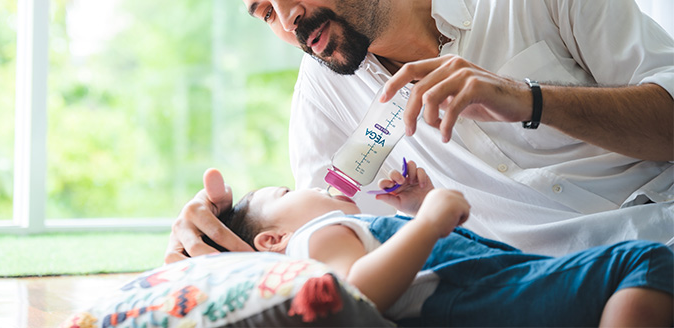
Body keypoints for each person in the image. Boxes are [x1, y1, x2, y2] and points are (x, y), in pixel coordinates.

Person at [166, 0, 674, 262]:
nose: (288, 18)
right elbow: (319, 247)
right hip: (528, 296)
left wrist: (528, 99)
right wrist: (216, 236)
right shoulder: (324, 96)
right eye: (265, 13)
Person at [206, 164, 674, 327]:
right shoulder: (312, 237)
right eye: (286, 193)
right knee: (642, 260)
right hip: (477, 302)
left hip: (480, 292)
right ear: (274, 239)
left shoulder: (351, 230)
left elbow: (427, 270)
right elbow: (358, 293)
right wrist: (426, 223)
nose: (303, 187)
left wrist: (416, 208)